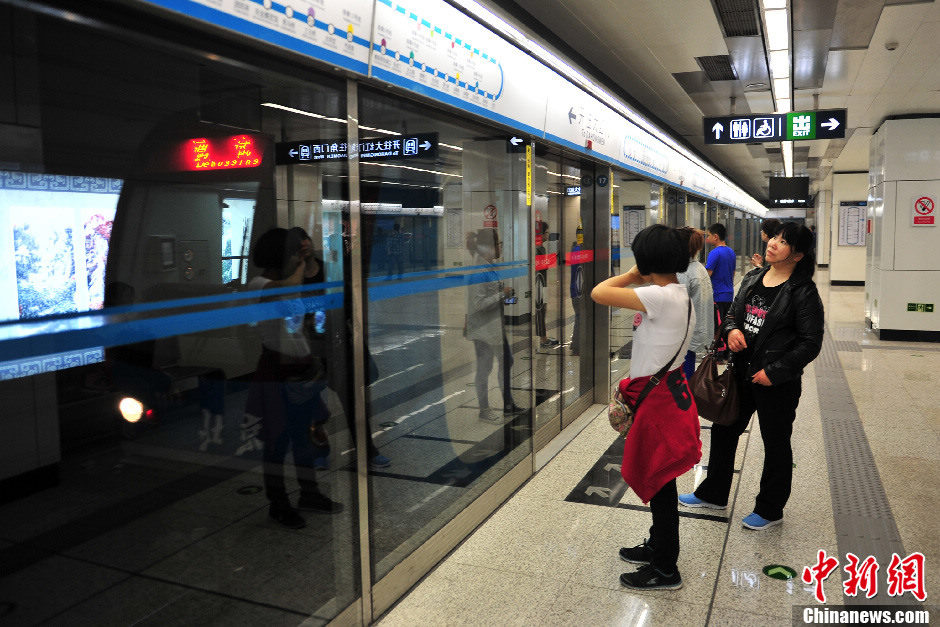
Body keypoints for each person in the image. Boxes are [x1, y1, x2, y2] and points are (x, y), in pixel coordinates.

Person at [679, 222, 824, 530]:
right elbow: (732, 312)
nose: (773, 243)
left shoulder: (803, 291)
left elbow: (811, 342)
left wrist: (775, 372)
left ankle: (770, 509)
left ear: (797, 255)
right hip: (741, 373)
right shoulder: (754, 276)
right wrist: (731, 331)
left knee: (775, 443)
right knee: (723, 430)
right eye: (774, 237)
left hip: (776, 382)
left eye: (783, 242)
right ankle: (714, 493)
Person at [591, 224, 701, 591]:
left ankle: (666, 568)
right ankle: (656, 545)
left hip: (658, 404)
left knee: (661, 484)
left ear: (645, 260)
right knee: (661, 480)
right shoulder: (678, 292)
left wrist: (633, 274)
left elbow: (599, 292)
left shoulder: (660, 295)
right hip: (663, 395)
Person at [245, 227, 343, 529]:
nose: (295, 258)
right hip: (276, 371)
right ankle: (278, 503)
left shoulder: (285, 282)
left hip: (298, 367)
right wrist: (301, 264)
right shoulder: (260, 284)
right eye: (291, 252)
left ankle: (309, 493)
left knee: (303, 436)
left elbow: (294, 324)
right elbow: (285, 291)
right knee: (277, 442)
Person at [465, 228, 526, 422]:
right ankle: (484, 410)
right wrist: (502, 294)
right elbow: (478, 304)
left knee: (507, 361)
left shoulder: (490, 266)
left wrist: (505, 296)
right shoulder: (479, 271)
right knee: (485, 369)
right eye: (498, 244)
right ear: (487, 247)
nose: (500, 247)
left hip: (495, 328)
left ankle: (508, 405)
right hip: (483, 330)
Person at [676, 227, 714, 379]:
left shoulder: (684, 273)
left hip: (684, 335)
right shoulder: (698, 268)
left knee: (683, 377)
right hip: (694, 332)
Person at [705, 223, 736, 358]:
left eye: (709, 236)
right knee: (725, 324)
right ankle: (725, 352)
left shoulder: (714, 253)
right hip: (729, 294)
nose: (707, 239)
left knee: (717, 326)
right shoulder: (731, 252)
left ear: (716, 237)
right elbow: (733, 273)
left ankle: (719, 354)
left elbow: (707, 275)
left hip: (717, 295)